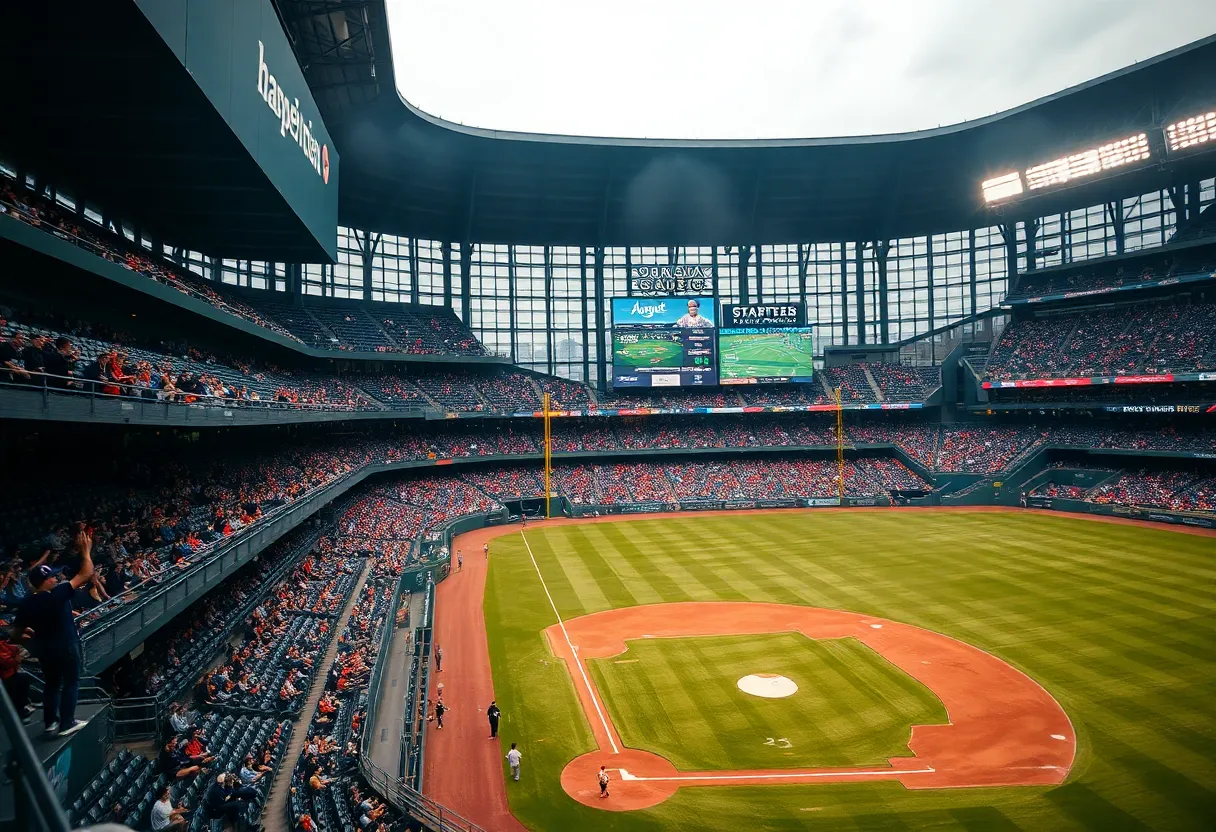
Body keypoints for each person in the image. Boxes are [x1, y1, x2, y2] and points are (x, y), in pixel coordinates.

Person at [13, 527, 94, 736]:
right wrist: (86, 552)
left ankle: (50, 722)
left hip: (45, 649)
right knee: (71, 682)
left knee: (51, 684)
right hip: (66, 645)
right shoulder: (56, 594)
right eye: (53, 577)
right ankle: (67, 722)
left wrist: (31, 638)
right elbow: (86, 573)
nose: (56, 579)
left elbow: (16, 634)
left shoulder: (26, 603)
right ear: (46, 581)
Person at [0, 627, 33, 719]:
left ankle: (20, 708)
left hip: (9, 672)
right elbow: (7, 662)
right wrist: (18, 658)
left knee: (22, 678)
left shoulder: (5, 643)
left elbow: (13, 649)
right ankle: (18, 711)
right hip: (5, 676)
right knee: (21, 680)